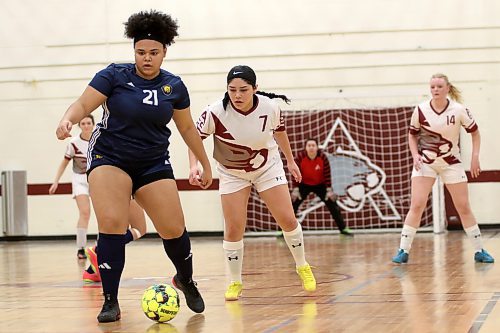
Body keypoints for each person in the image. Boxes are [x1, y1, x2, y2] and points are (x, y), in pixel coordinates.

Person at [54, 10, 212, 322]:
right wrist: (67, 119)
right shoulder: (114, 75)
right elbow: (83, 104)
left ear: (165, 51)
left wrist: (206, 165)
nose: (147, 59)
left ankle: (185, 279)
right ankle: (110, 300)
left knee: (173, 227)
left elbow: (187, 130)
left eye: (153, 53)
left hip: (153, 160)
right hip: (110, 157)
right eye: (141, 52)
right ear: (134, 51)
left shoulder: (174, 87)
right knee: (112, 222)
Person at [189, 65, 316, 301]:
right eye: (232, 90)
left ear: (255, 89)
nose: (237, 95)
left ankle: (302, 265)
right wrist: (194, 165)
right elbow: (194, 138)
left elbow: (279, 133)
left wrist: (290, 161)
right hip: (231, 173)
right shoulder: (215, 112)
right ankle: (235, 281)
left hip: (267, 167)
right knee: (234, 228)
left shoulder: (270, 108)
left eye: (243, 90)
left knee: (287, 219)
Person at [392, 73, 494, 264]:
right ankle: (403, 250)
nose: (435, 90)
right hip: (426, 163)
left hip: (451, 163)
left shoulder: (459, 110)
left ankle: (479, 250)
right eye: (432, 87)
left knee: (463, 207)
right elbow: (412, 135)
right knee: (417, 204)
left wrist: (474, 158)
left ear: (447, 88)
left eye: (439, 86)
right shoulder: (420, 110)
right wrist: (415, 154)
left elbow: (475, 133)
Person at [49, 115, 95, 259]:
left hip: (96, 180)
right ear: (79, 126)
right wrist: (56, 181)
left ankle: (101, 247)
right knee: (85, 213)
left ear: (93, 124)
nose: (86, 126)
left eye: (89, 123)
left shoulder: (99, 140)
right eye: (83, 123)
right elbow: (64, 163)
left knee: (102, 214)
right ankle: (81, 248)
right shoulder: (74, 143)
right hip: (79, 180)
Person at [291, 138, 353, 236]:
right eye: (309, 145)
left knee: (333, 205)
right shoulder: (300, 157)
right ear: (305, 148)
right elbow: (295, 173)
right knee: (292, 205)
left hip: (320, 185)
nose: (311, 147)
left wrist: (329, 190)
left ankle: (343, 229)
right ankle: (284, 230)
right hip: (304, 184)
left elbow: (327, 174)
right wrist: (295, 189)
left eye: (313, 145)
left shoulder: (323, 157)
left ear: (317, 147)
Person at [83, 199, 146, 283]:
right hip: (126, 191)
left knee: (119, 229)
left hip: (110, 191)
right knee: (139, 229)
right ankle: (99, 250)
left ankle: (91, 272)